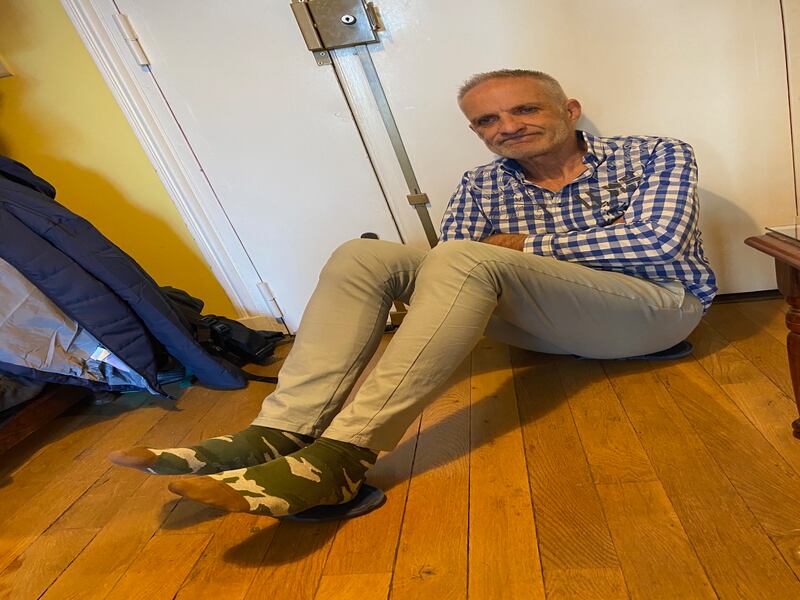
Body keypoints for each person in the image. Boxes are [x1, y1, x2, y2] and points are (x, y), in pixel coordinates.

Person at [109, 69, 716, 517]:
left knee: (461, 256)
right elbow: (450, 275)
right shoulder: (481, 183)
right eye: (487, 121)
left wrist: (526, 246)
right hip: (548, 326)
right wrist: (525, 252)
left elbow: (656, 246)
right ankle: (281, 431)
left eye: (525, 109)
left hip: (653, 312)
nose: (507, 127)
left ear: (570, 108)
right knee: (364, 254)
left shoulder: (653, 154)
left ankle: (342, 458)